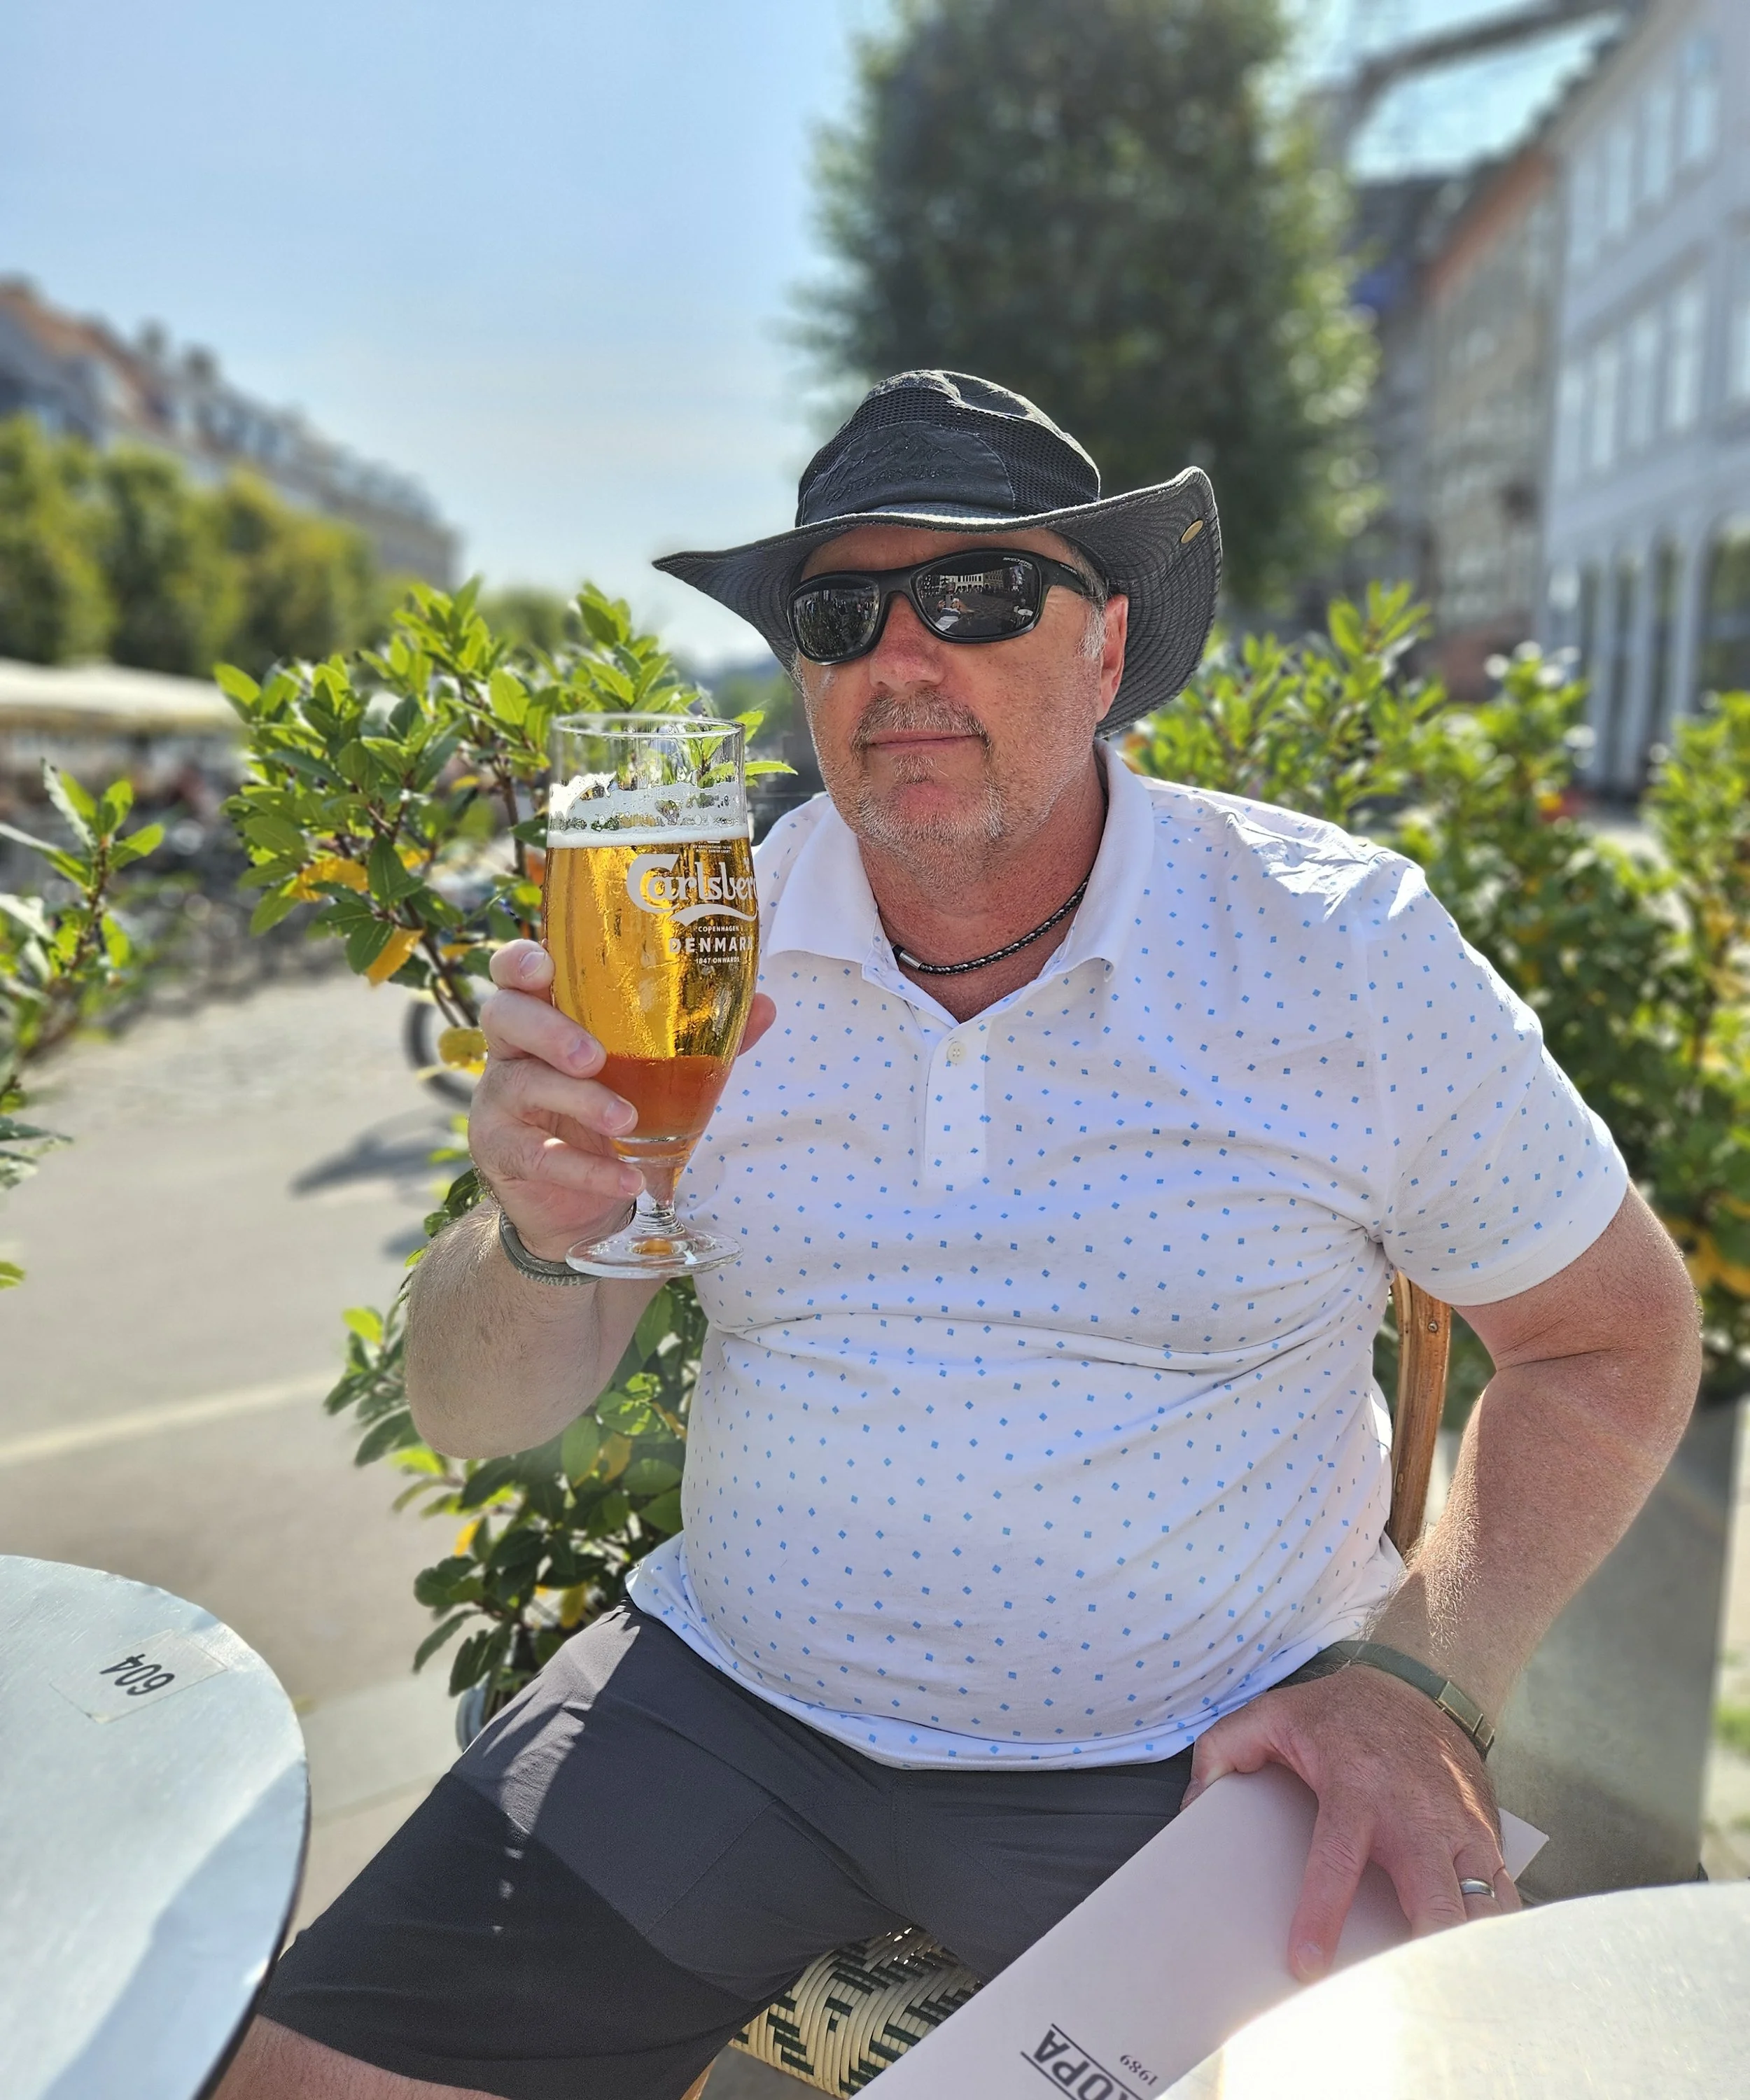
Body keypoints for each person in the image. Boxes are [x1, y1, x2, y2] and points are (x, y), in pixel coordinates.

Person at [223, 372, 1699, 2100]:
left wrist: (1424, 1679)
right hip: (725, 1712)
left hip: (1199, 1760)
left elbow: (1610, 1339)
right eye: (839, 614)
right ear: (802, 678)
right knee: (290, 2081)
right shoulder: (699, 943)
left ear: (1106, 645)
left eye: (979, 592)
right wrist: (538, 1232)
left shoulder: (1328, 952)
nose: (901, 657)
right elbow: (474, 1413)